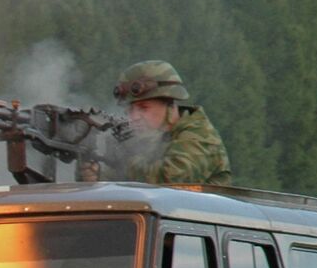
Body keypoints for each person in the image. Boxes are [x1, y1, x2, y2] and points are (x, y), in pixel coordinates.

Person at [80, 60, 231, 186]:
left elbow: (170, 179)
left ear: (171, 105)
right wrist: (96, 178)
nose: (134, 117)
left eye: (143, 108)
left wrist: (124, 160)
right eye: (129, 111)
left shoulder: (199, 135)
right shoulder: (150, 140)